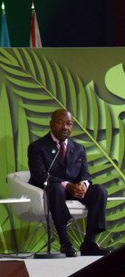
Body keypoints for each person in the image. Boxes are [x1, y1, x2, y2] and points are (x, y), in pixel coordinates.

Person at [27, 108, 109, 257]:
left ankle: (89, 243)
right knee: (56, 188)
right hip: (54, 190)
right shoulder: (37, 147)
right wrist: (68, 185)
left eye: (69, 124)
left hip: (74, 191)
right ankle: (65, 243)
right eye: (60, 123)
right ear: (51, 124)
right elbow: (39, 175)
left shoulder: (78, 148)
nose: (65, 127)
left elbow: (85, 172)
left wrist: (83, 184)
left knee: (100, 191)